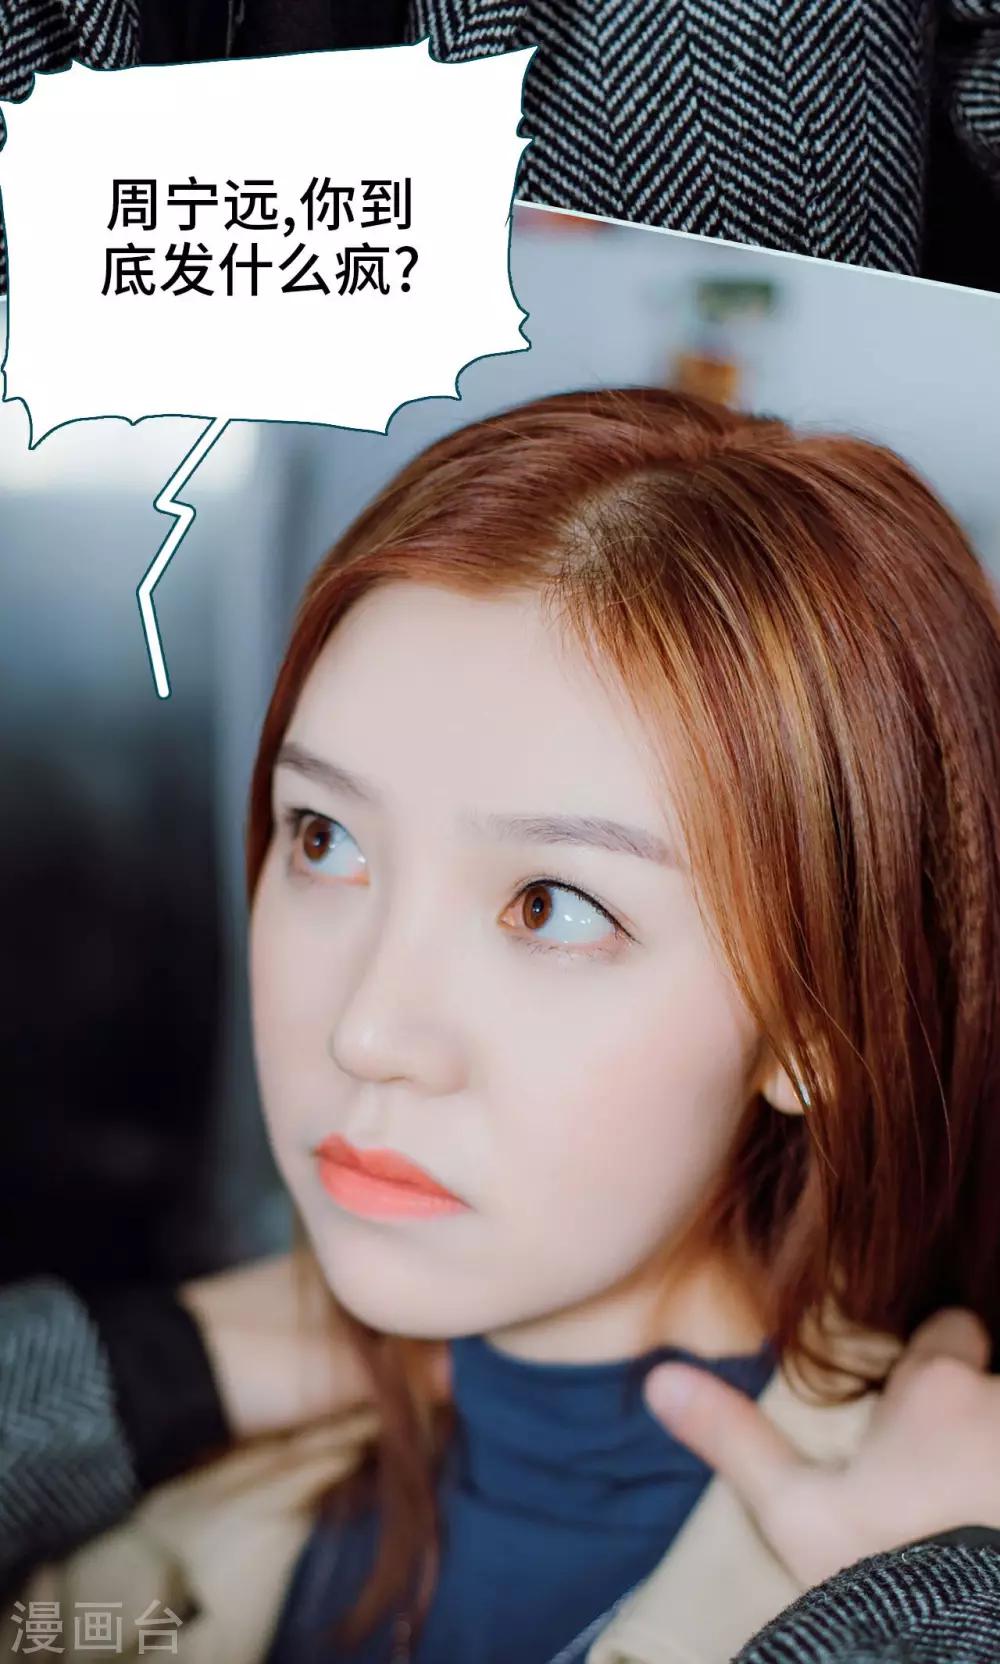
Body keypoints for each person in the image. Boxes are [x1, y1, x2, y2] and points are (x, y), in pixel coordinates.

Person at [14, 387, 1000, 1664]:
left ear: (815, 1020)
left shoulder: (926, 1584)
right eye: (325, 837)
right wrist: (153, 1369)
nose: (367, 1031)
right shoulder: (182, 1467)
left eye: (549, 905)